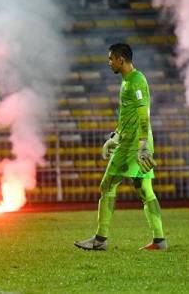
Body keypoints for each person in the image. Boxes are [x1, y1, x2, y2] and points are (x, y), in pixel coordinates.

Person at [74, 43, 166, 251]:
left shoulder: (137, 81)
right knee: (144, 189)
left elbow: (144, 115)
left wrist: (142, 145)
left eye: (111, 59)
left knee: (107, 186)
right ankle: (160, 240)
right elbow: (128, 115)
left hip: (133, 145)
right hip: (130, 141)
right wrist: (115, 136)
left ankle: (100, 239)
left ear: (120, 59)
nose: (109, 63)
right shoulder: (127, 81)